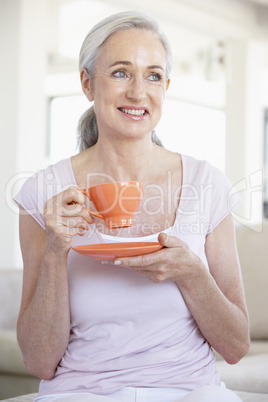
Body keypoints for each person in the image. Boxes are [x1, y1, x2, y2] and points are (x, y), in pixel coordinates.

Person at [14, 10, 250, 402]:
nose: (139, 92)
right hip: (81, 392)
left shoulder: (207, 184)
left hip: (189, 391)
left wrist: (192, 273)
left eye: (153, 75)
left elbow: (237, 346)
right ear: (88, 84)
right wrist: (56, 253)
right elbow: (39, 361)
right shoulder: (44, 193)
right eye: (121, 72)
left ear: (166, 86)